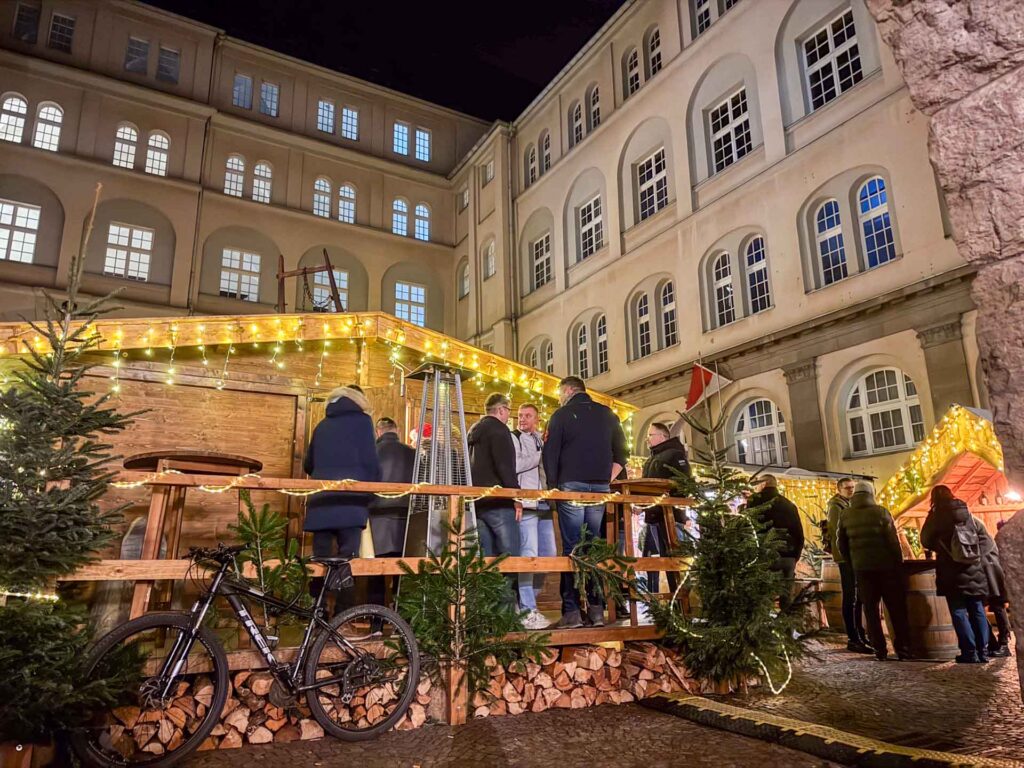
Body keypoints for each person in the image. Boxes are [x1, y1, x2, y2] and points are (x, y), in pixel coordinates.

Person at [543, 376, 627, 629]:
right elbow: (623, 454)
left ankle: (571, 611)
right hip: (599, 489)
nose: (559, 398)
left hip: (571, 488)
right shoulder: (608, 415)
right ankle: (596, 608)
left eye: (560, 393)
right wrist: (604, 479)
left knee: (572, 548)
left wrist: (553, 489)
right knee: (592, 546)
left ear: (568, 391)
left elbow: (550, 454)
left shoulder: (561, 415)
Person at [304, 384, 382, 614]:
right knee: (348, 560)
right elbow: (371, 463)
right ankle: (342, 616)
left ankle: (316, 613)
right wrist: (371, 493)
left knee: (319, 560)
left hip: (321, 502)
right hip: (351, 502)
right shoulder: (363, 423)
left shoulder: (322, 426)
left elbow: (308, 464)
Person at [837, 480, 912, 661]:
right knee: (896, 609)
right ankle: (903, 649)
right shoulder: (881, 512)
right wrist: (898, 563)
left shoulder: (846, 515)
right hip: (886, 568)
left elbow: (842, 544)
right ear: (872, 494)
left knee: (870, 610)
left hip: (862, 569)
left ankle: (880, 650)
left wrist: (853, 562)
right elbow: (893, 542)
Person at [921, 485, 994, 663]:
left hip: (950, 569)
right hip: (974, 569)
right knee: (977, 610)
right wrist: (974, 555)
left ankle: (969, 652)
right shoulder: (967, 513)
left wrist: (945, 550)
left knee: (958, 611)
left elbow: (925, 539)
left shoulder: (936, 516)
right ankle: (983, 652)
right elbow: (987, 540)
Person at [467, 393, 521, 599]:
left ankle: (487, 613)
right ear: (501, 410)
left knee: (486, 560)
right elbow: (505, 466)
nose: (508, 416)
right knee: (509, 558)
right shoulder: (500, 431)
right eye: (508, 411)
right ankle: (506, 613)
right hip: (499, 502)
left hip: (477, 504)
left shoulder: (473, 431)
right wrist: (516, 496)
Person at [513, 403, 555, 629]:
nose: (522, 419)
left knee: (549, 556)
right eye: (520, 415)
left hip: (545, 503)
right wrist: (540, 455)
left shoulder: (541, 438)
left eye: (528, 416)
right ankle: (528, 609)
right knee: (528, 557)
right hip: (527, 504)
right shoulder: (514, 438)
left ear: (537, 419)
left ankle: (525, 601)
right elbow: (516, 464)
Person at [367, 416, 415, 611]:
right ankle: (401, 619)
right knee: (403, 571)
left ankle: (375, 622)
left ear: (379, 432)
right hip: (406, 519)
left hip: (377, 519)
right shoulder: (412, 453)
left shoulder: (371, 453)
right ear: (397, 431)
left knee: (376, 571)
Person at [641, 422, 691, 593]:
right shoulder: (651, 459)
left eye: (650, 435)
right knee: (660, 558)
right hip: (653, 515)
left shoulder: (674, 455)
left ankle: (683, 599)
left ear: (662, 436)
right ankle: (670, 598)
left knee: (675, 558)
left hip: (670, 515)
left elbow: (683, 482)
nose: (648, 439)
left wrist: (671, 499)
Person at [826, 477, 872, 654]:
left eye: (853, 487)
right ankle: (853, 637)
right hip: (847, 558)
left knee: (858, 597)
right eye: (847, 488)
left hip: (856, 557)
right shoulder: (836, 507)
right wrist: (844, 555)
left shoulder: (851, 505)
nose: (851, 491)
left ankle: (859, 634)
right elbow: (838, 532)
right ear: (839, 490)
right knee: (851, 597)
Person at [748, 475, 804, 606]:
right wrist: (795, 555)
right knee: (786, 595)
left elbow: (749, 529)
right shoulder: (788, 504)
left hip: (763, 554)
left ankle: (766, 624)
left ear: (764, 484)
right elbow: (798, 532)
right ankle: (786, 623)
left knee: (763, 596)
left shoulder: (754, 503)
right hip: (787, 555)